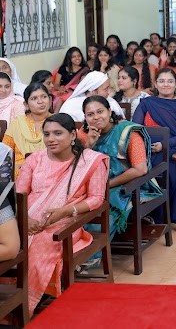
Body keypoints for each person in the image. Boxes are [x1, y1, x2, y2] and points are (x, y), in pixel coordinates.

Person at [17, 113, 108, 311]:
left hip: (65, 222)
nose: (51, 139)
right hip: (28, 218)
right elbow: (19, 194)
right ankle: (11, 298)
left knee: (40, 244)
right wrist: (26, 219)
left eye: (58, 133)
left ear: (73, 135)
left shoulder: (90, 161)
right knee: (9, 242)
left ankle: (26, 302)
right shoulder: (35, 159)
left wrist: (66, 210)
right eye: (47, 134)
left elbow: (96, 198)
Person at [78, 96, 160, 238]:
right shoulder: (83, 134)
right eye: (90, 115)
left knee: (99, 218)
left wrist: (107, 185)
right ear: (85, 117)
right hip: (91, 185)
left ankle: (93, 256)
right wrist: (89, 145)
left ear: (109, 112)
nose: (96, 117)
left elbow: (140, 169)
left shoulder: (127, 132)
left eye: (100, 112)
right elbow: (76, 167)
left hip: (124, 186)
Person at [132, 68, 176, 226]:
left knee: (166, 165)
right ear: (155, 84)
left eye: (170, 81)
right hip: (147, 147)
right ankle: (139, 212)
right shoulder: (147, 103)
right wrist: (146, 145)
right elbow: (135, 128)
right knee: (134, 165)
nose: (165, 85)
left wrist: (164, 145)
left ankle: (162, 215)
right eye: (161, 81)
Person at [3, 82, 52, 177]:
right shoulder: (17, 123)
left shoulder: (58, 123)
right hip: (18, 171)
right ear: (26, 104)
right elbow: (6, 153)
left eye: (44, 97)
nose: (40, 101)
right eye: (34, 98)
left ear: (50, 100)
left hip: (48, 170)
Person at [59, 71, 125, 122]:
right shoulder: (71, 105)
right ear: (93, 91)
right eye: (106, 89)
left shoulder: (110, 101)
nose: (108, 92)